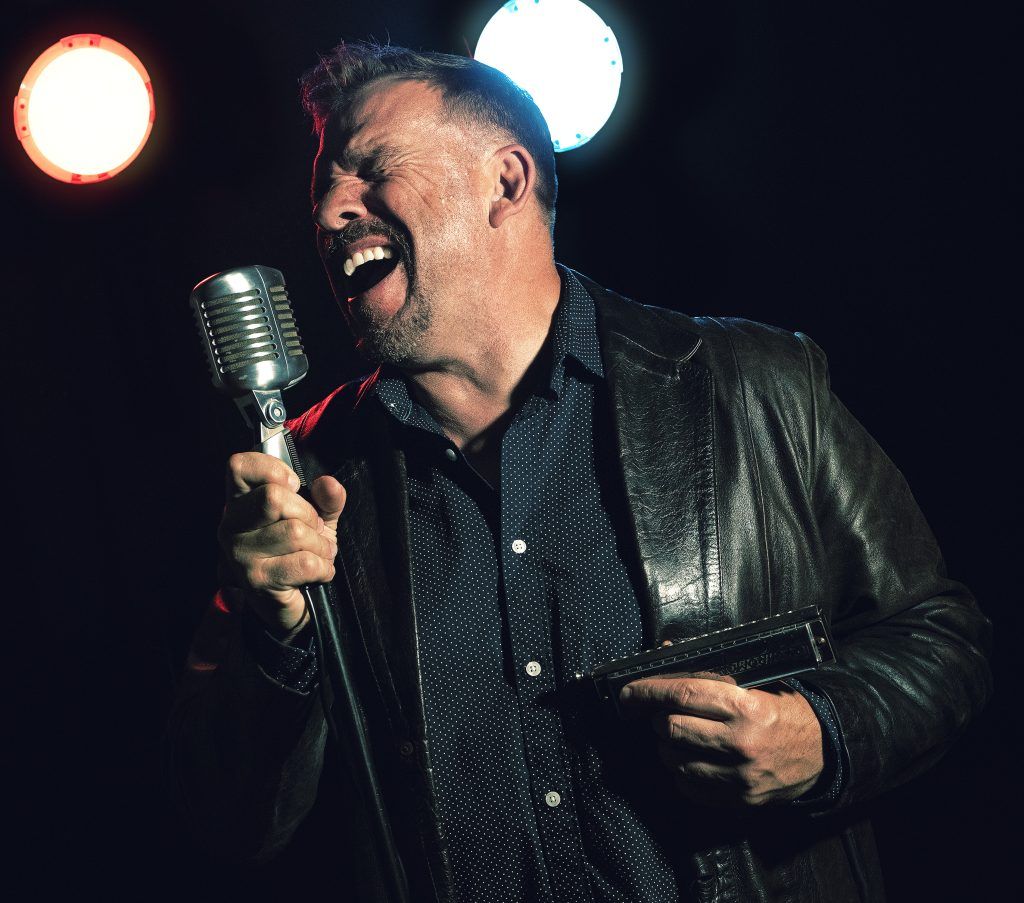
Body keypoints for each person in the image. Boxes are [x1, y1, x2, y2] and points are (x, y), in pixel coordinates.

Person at [167, 42, 992, 903]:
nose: (331, 209)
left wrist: (821, 736)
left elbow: (943, 638)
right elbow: (226, 817)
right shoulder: (299, 485)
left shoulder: (754, 386)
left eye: (372, 169)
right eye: (324, 190)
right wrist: (275, 638)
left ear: (507, 181)